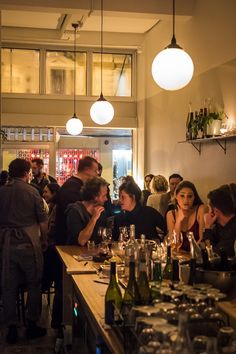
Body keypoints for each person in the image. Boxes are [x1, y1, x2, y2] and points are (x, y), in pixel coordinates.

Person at [0, 158, 48, 344]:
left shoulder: (1, 192)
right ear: (27, 173)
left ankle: (11, 327)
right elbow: (42, 221)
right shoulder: (32, 192)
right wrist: (44, 239)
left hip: (5, 244)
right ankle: (31, 324)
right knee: (34, 283)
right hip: (28, 242)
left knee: (9, 286)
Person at [51, 156, 98, 337]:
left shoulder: (71, 185)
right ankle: (63, 327)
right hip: (67, 245)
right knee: (65, 287)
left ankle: (62, 325)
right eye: (95, 171)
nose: (95, 174)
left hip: (67, 243)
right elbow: (74, 219)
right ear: (87, 170)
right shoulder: (73, 189)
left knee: (64, 286)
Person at [65, 177, 109, 246]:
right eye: (104, 196)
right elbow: (81, 241)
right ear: (94, 196)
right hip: (74, 254)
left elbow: (103, 238)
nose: (106, 199)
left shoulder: (101, 211)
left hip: (94, 254)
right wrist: (94, 219)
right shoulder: (75, 211)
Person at [166, 180, 206, 251]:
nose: (186, 200)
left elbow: (202, 240)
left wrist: (191, 255)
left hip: (197, 256)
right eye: (182, 196)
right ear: (176, 196)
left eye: (189, 196)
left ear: (194, 197)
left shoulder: (201, 209)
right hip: (179, 257)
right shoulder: (171, 214)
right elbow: (173, 245)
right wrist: (178, 221)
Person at [203, 183, 236, 257]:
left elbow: (214, 255)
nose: (207, 213)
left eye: (209, 209)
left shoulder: (233, 229)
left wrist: (207, 227)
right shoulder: (219, 227)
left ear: (215, 211)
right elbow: (203, 249)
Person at [42, 183, 60, 292]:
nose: (43, 194)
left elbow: (52, 228)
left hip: (52, 247)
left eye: (46, 192)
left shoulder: (56, 208)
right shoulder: (50, 207)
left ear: (54, 193)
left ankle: (44, 283)